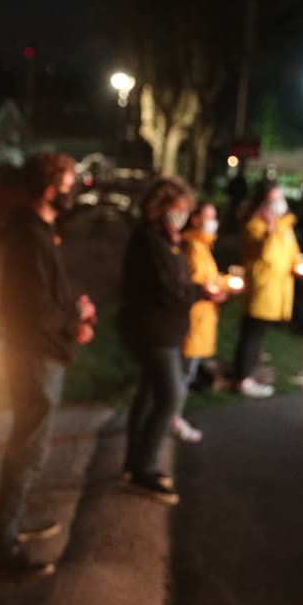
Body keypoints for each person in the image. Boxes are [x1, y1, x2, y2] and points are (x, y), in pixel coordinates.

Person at [0, 152, 96, 576]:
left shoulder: (40, 231)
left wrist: (75, 312)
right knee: (27, 451)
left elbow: (46, 298)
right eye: (71, 184)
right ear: (53, 189)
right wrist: (74, 321)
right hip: (35, 355)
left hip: (40, 351)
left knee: (30, 448)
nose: (75, 193)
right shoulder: (30, 236)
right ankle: (5, 549)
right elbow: (35, 308)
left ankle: (13, 527)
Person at [119, 178, 219, 504]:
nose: (183, 216)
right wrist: (201, 292)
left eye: (186, 211)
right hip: (154, 332)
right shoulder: (150, 242)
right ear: (160, 209)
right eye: (178, 210)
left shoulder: (164, 239)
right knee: (169, 397)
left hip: (164, 330)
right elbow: (169, 289)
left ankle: (134, 464)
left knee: (149, 396)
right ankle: (144, 467)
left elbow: (177, 283)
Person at [231, 181, 300, 398]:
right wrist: (271, 230)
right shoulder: (255, 227)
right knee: (251, 334)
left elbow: (291, 254)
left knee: (257, 335)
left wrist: (299, 265)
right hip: (262, 289)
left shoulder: (284, 226)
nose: (279, 204)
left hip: (278, 289)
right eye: (273, 200)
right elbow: (267, 255)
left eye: (280, 198)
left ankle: (248, 372)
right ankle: (242, 378)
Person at [176, 201, 229, 443]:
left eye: (215, 216)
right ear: (195, 218)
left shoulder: (203, 246)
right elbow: (194, 283)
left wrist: (224, 285)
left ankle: (174, 415)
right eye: (209, 216)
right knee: (182, 372)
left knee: (187, 371)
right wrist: (212, 291)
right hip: (193, 319)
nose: (213, 221)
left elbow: (210, 278)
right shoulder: (191, 246)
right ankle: (173, 418)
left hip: (202, 317)